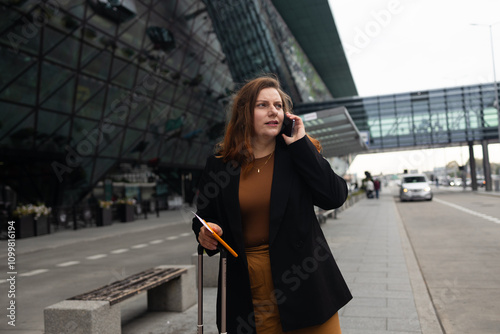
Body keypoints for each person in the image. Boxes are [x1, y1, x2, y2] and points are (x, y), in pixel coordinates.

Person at [192, 75, 352, 333]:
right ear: (244, 113)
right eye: (262, 105)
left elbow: (334, 196)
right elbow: (204, 215)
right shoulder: (220, 165)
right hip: (246, 282)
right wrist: (206, 231)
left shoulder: (298, 154)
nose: (273, 111)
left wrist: (300, 144)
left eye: (278, 105)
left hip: (303, 279)